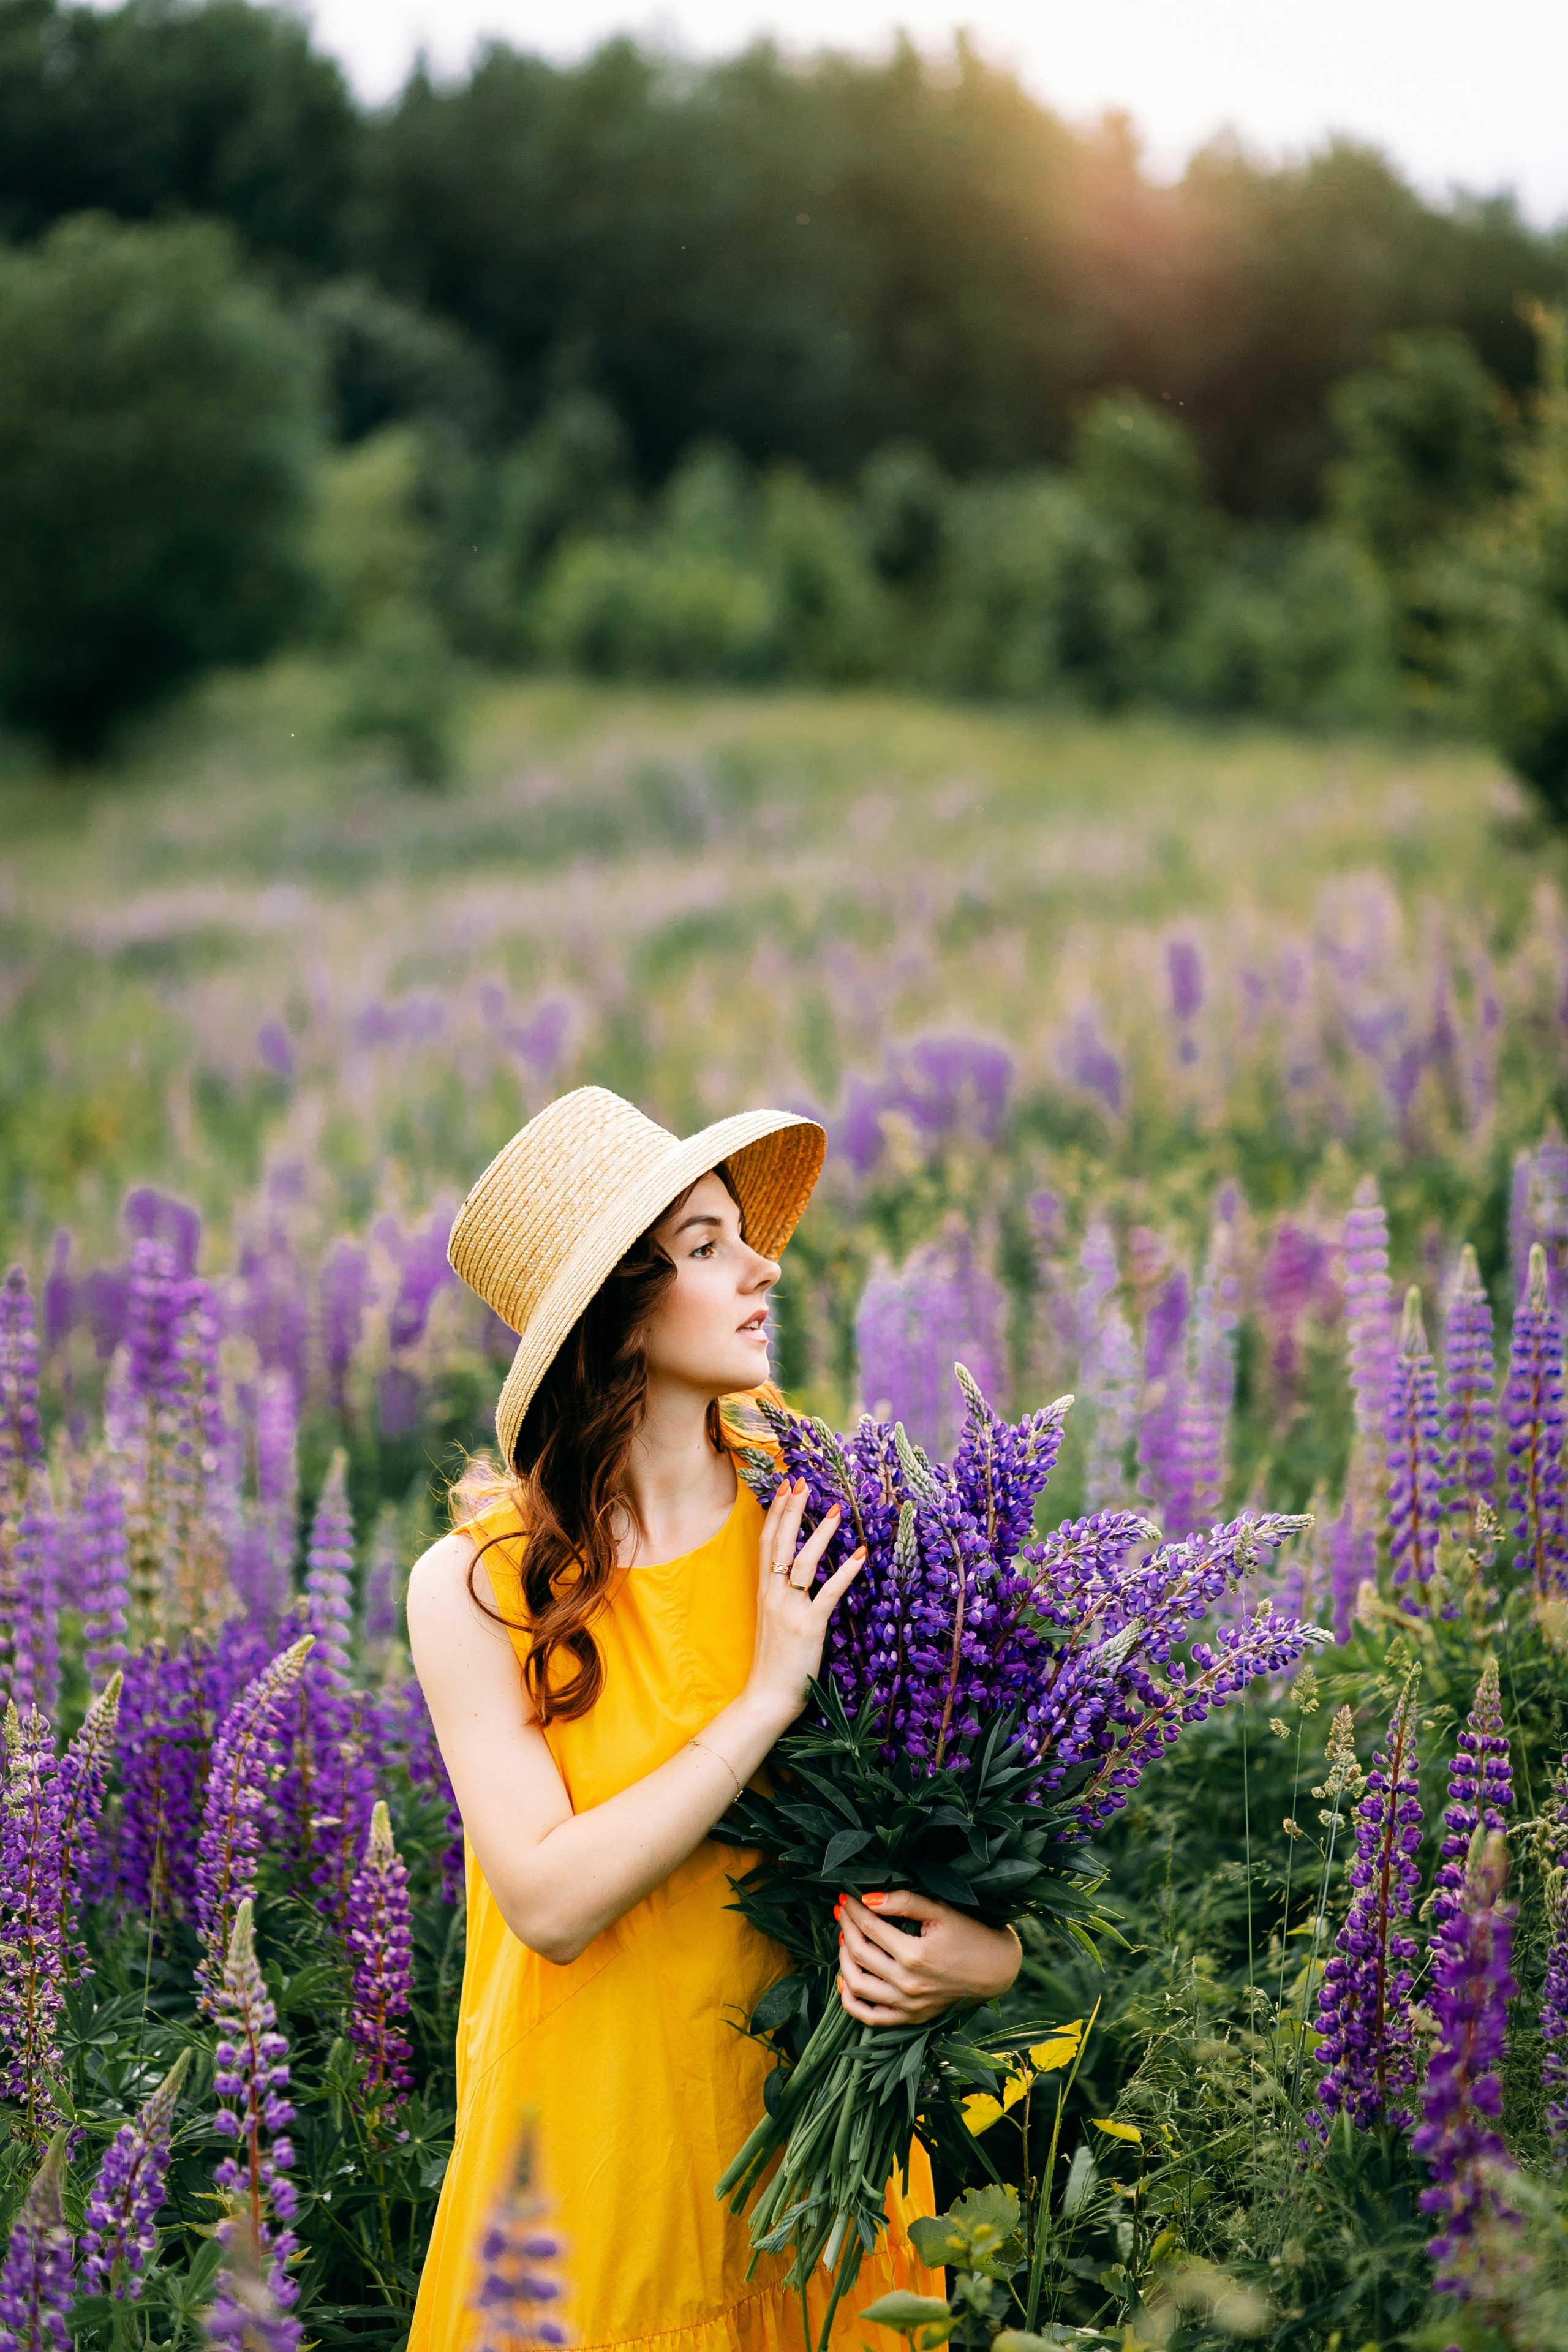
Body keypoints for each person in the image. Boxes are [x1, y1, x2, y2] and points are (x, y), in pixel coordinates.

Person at [405, 1085, 1022, 2352]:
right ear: (616, 1314)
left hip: (823, 2189)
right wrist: (765, 1699)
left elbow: (944, 1827)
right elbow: (549, 1901)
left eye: (744, 1234)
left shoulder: (828, 1514)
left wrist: (983, 1957)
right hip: (592, 2203)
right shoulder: (478, 1586)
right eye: (704, 1245)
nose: (762, 1266)